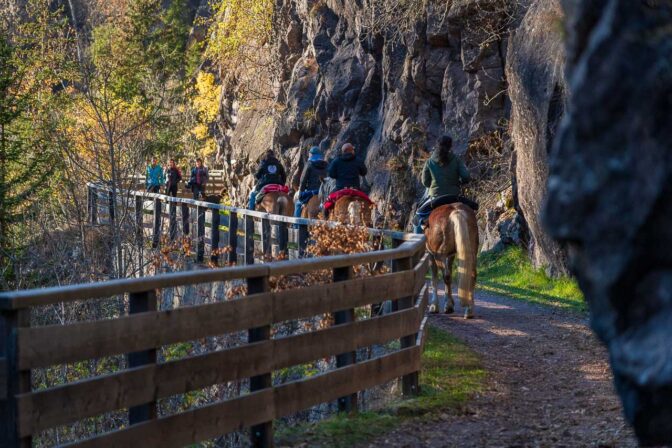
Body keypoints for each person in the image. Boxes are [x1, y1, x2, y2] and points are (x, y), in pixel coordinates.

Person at [414, 135, 472, 233]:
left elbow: (425, 182)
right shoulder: (456, 159)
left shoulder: (430, 162)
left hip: (436, 198)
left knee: (418, 216)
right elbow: (466, 176)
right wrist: (459, 182)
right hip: (454, 196)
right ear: (450, 147)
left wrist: (434, 186)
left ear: (437, 145)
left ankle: (417, 245)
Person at [294, 146, 328, 217]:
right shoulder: (326, 165)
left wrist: (301, 192)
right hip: (323, 192)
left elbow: (303, 180)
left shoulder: (309, 164)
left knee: (298, 204)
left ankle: (296, 225)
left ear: (311, 155)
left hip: (311, 192)